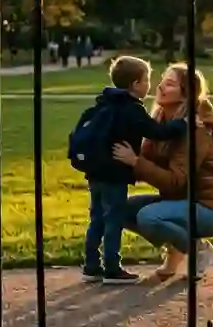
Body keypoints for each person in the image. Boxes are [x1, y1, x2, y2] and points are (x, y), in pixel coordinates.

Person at [69, 55, 194, 285]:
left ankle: (91, 265)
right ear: (136, 84)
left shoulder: (103, 104)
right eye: (147, 79)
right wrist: (182, 125)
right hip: (115, 175)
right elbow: (157, 132)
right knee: (113, 219)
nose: (150, 85)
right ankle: (112, 268)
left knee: (96, 218)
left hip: (95, 173)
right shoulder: (132, 109)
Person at [113, 62, 213, 282]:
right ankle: (176, 253)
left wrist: (135, 162)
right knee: (120, 209)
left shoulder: (195, 130)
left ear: (186, 94)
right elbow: (143, 161)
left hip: (206, 208)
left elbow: (176, 181)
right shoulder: (161, 121)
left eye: (170, 84)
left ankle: (198, 249)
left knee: (148, 217)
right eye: (161, 82)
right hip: (177, 202)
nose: (160, 87)